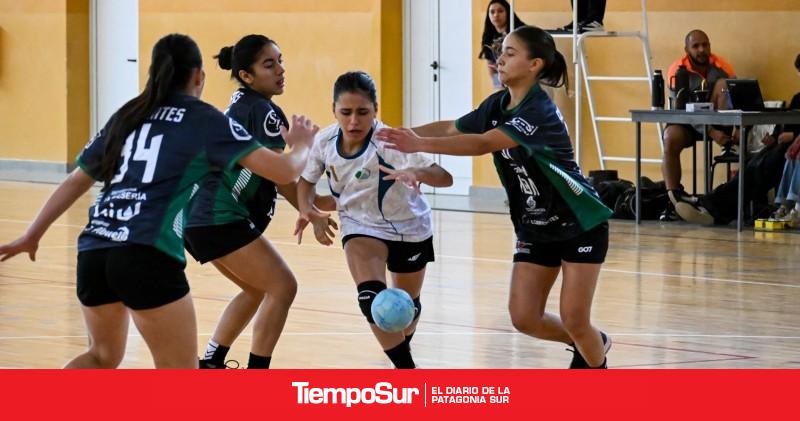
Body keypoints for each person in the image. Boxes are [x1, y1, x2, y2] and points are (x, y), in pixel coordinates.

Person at [0, 34, 318, 368]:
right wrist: (302, 145)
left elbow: (77, 179)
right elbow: (282, 171)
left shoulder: (128, 115)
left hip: (95, 250)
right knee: (179, 374)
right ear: (199, 76)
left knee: (101, 356)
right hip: (146, 251)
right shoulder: (204, 120)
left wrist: (32, 234)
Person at [378, 26, 612, 368]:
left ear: (534, 65)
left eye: (510, 53)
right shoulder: (497, 104)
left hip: (580, 221)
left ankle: (595, 367)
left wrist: (419, 145)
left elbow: (483, 143)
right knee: (524, 318)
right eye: (500, 51)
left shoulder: (538, 112)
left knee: (576, 318)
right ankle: (593, 341)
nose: (500, 58)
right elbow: (453, 128)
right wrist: (398, 134)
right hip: (535, 226)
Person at [183, 35, 335, 369]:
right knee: (283, 287)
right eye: (269, 64)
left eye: (280, 60)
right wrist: (306, 157)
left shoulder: (242, 104)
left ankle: (210, 362)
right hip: (219, 215)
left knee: (256, 289)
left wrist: (316, 205)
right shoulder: (263, 113)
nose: (280, 69)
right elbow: (282, 175)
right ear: (247, 75)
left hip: (197, 217)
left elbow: (277, 179)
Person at [295, 71, 453, 369]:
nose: (354, 121)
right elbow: (306, 181)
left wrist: (415, 174)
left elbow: (444, 178)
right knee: (373, 300)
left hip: (410, 228)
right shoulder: (325, 140)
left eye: (363, 113)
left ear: (375, 111)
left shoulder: (391, 143)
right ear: (334, 111)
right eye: (346, 112)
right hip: (359, 226)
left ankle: (402, 344)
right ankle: (407, 370)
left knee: (406, 309)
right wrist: (308, 210)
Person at [676, 54, 800, 226]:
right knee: (753, 165)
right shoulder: (798, 98)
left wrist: (793, 136)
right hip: (782, 144)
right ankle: (713, 204)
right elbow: (785, 125)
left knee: (762, 168)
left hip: (790, 147)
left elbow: (791, 132)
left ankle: (711, 205)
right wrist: (774, 136)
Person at [661, 29, 736, 220]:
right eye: (696, 46)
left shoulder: (723, 67)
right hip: (686, 122)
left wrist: (730, 130)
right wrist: (710, 132)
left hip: (717, 122)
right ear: (686, 49)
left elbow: (736, 101)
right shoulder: (677, 71)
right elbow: (682, 110)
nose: (702, 49)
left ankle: (729, 147)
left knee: (723, 84)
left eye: (705, 45)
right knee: (670, 137)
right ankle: (674, 199)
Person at [480, 0, 526, 89]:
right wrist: (498, 85)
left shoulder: (521, 33)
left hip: (524, 79)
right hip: (502, 81)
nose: (496, 15)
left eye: (500, 11)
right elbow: (490, 64)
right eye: (492, 12)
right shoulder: (488, 36)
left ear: (508, 13)